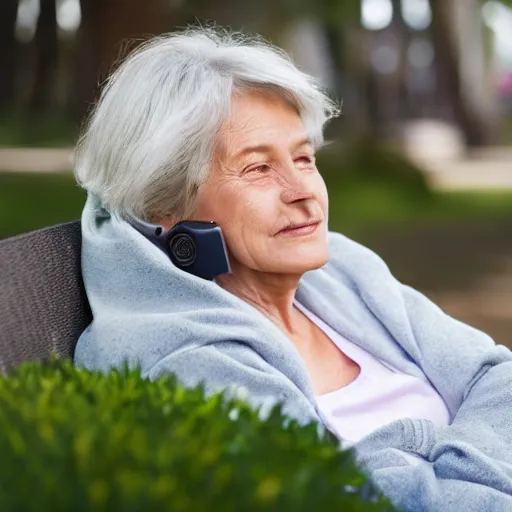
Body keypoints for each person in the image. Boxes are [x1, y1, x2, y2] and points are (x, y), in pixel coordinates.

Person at [73, 27, 512, 511]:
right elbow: (343, 499)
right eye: (258, 169)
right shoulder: (178, 356)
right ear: (164, 203)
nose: (302, 190)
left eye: (304, 158)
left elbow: (496, 376)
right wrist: (455, 445)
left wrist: (420, 455)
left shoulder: (343, 271)